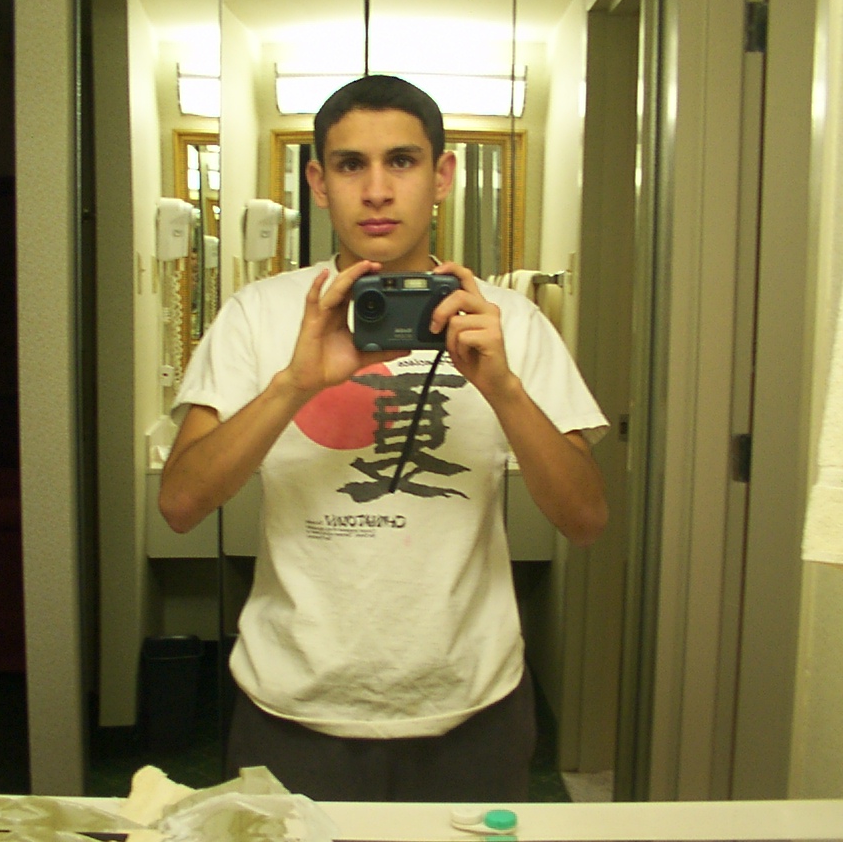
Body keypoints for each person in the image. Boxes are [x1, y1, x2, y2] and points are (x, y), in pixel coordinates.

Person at [159, 74, 608, 802]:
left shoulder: (512, 324)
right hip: (292, 704)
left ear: (442, 175)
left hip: (473, 704)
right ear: (318, 182)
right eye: (350, 165)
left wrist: (503, 388)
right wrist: (294, 384)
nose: (376, 190)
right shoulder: (256, 314)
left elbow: (585, 519)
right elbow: (180, 504)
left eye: (401, 161)